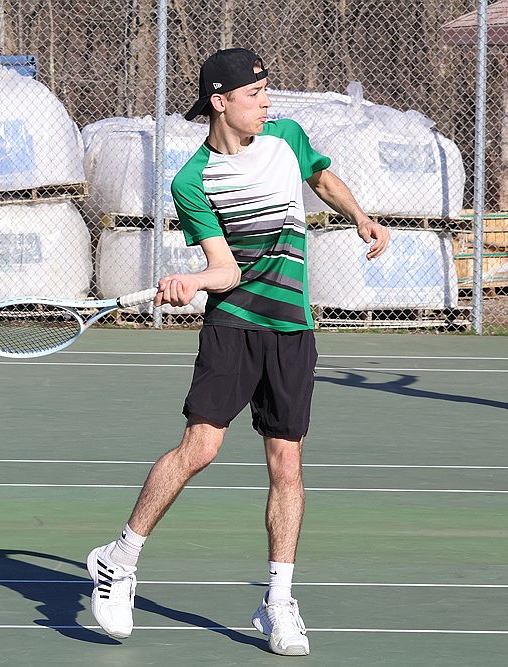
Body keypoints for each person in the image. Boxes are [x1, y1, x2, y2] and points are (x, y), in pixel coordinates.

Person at [86, 48, 389, 656]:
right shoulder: (192, 182)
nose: (267, 103)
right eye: (256, 96)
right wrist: (191, 281)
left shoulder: (287, 138)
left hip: (292, 327)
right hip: (234, 325)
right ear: (221, 102)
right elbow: (224, 271)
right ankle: (119, 557)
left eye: (267, 93)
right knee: (201, 447)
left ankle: (277, 603)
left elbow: (322, 177)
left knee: (287, 466)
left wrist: (359, 215)